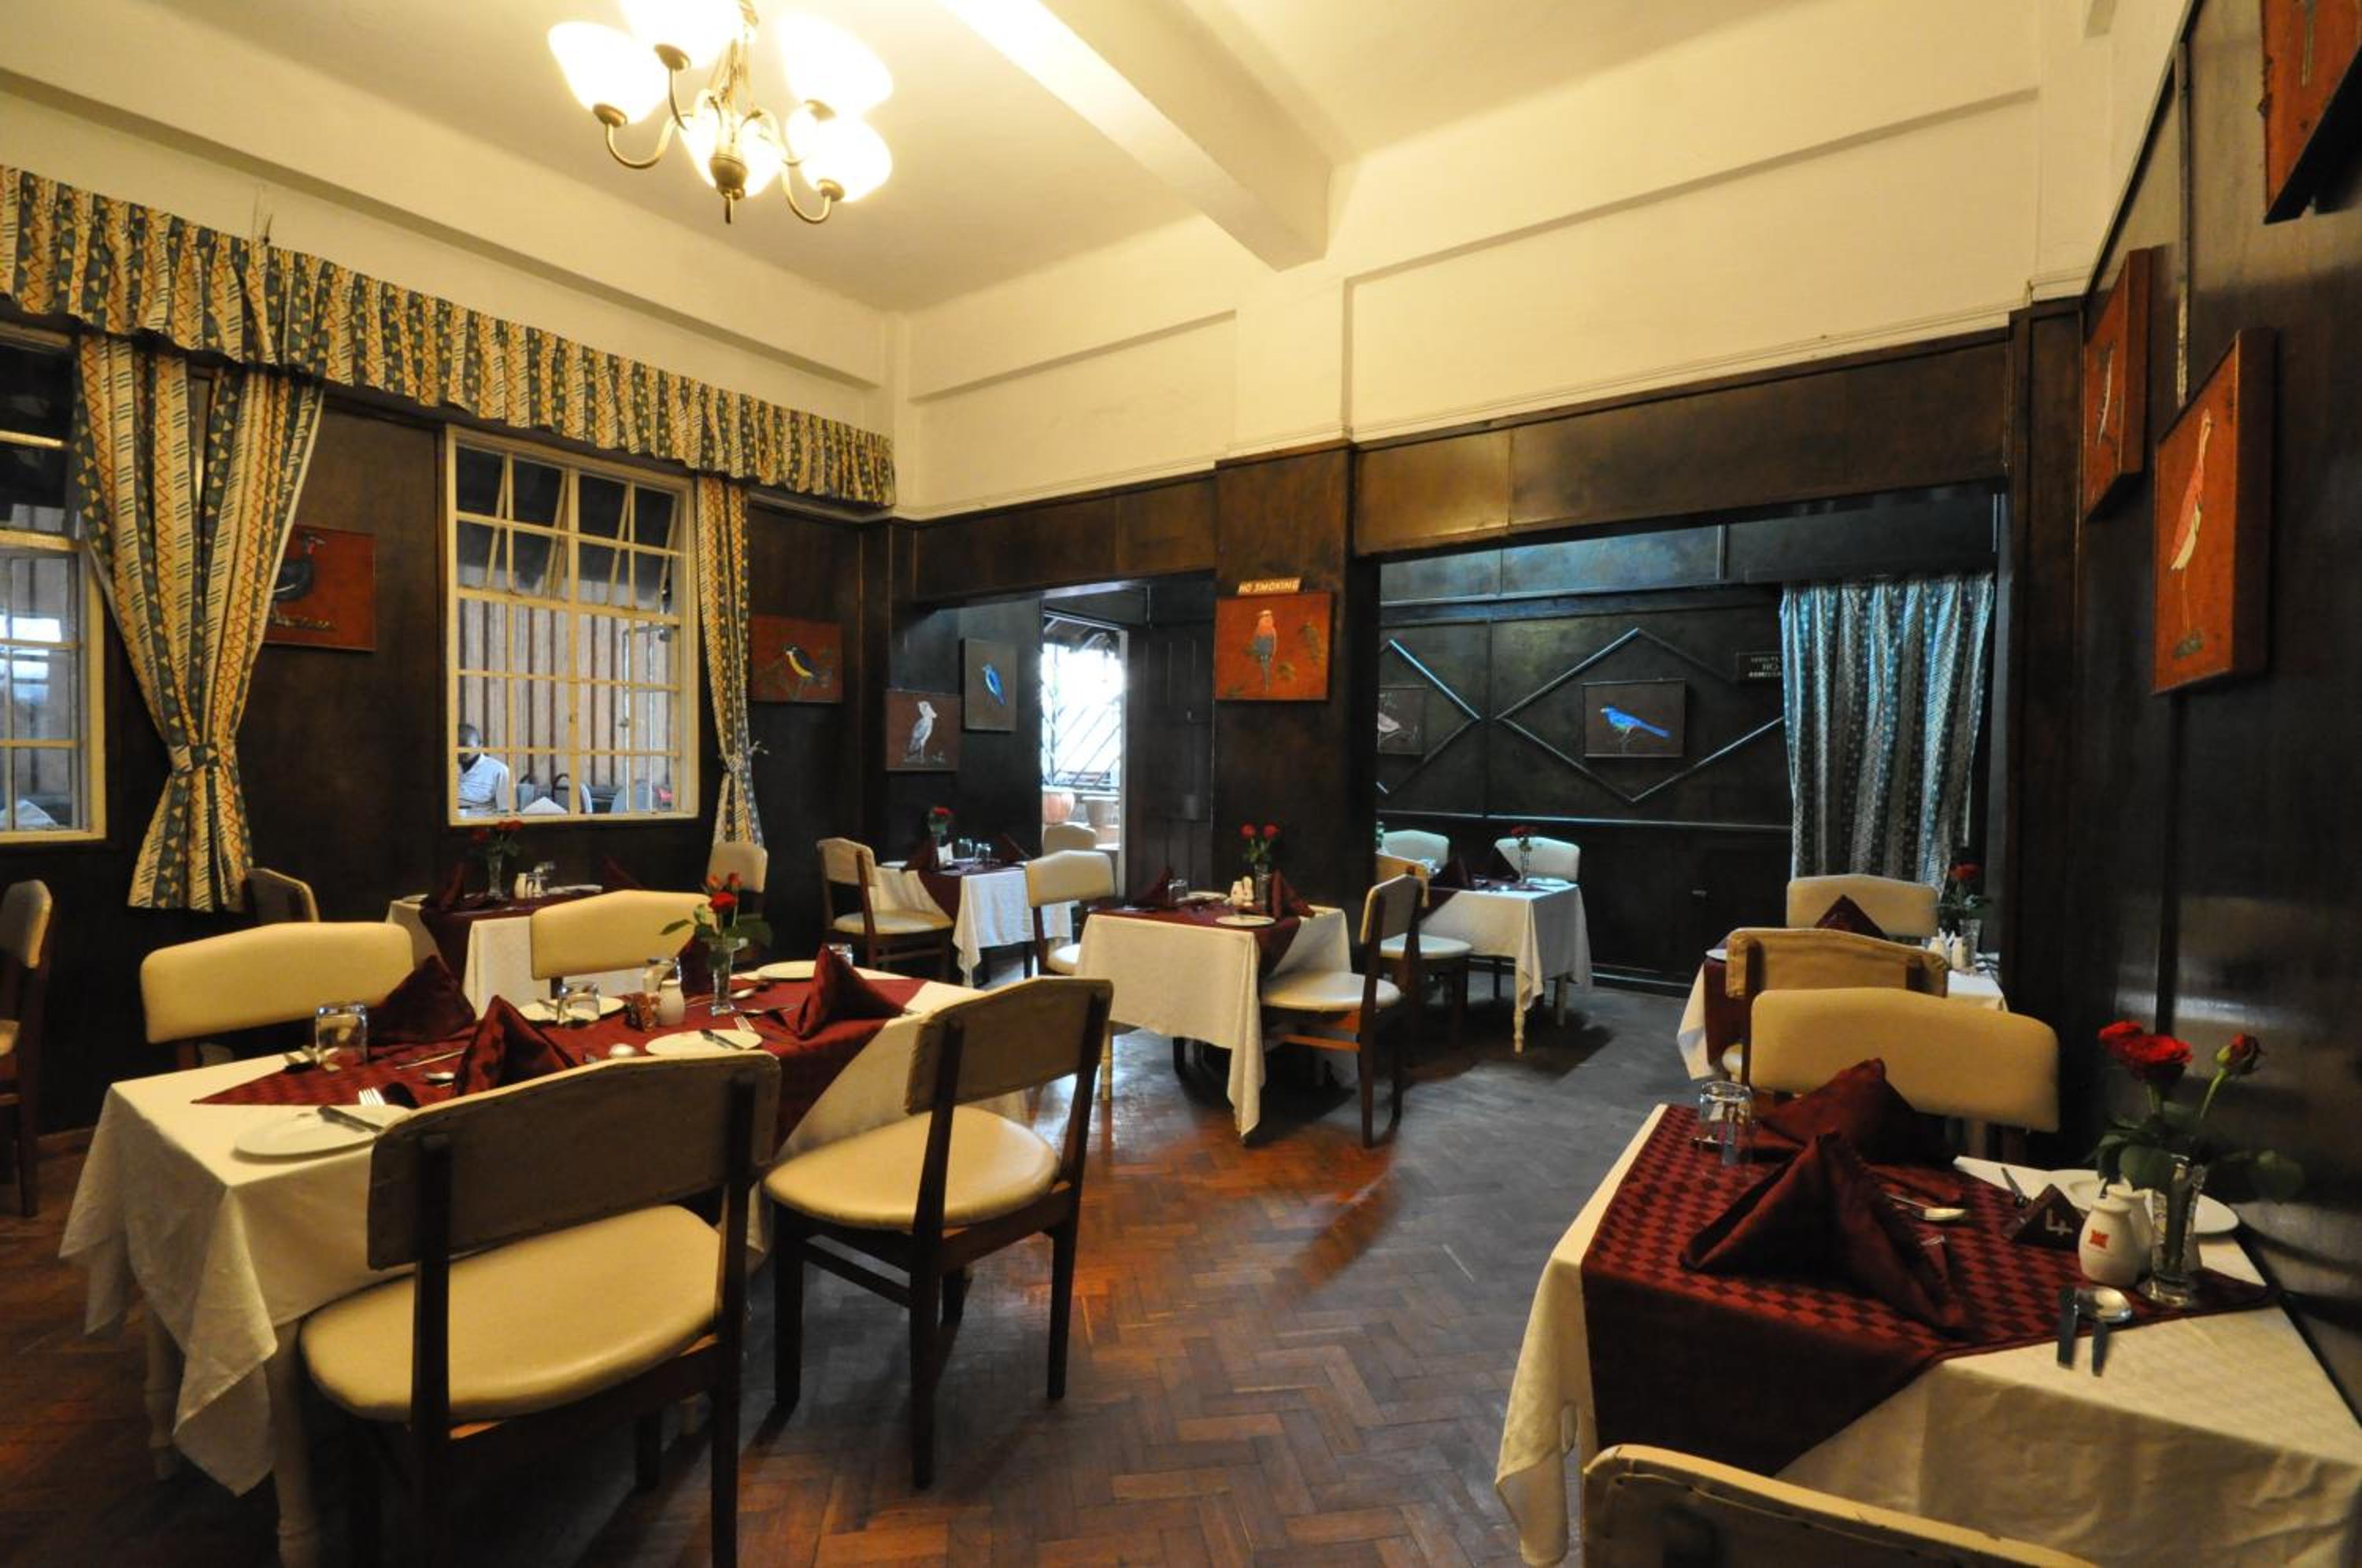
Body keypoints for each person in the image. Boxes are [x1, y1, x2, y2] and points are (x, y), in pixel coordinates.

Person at [455, 723, 512, 815]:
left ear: (480, 746)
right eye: (456, 747)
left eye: (466, 747)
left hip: (482, 823)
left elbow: (506, 812)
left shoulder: (499, 771)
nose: (461, 752)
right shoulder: (447, 767)